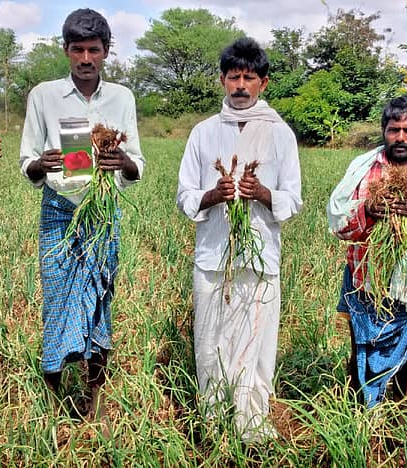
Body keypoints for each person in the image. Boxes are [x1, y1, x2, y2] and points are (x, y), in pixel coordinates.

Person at [18, 8, 144, 419]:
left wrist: (121, 161)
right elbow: (27, 163)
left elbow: (136, 165)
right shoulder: (43, 96)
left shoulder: (121, 98)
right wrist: (44, 164)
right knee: (57, 300)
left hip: (103, 212)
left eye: (93, 49)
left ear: (106, 52)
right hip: (59, 210)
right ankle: (53, 402)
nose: (85, 58)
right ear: (66, 51)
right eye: (77, 50)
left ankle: (95, 403)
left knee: (99, 301)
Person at [176, 37, 302, 443]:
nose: (241, 86)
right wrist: (213, 195)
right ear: (222, 81)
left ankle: (252, 426)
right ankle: (213, 423)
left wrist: (263, 194)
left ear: (264, 82)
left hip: (261, 257)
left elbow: (294, 199)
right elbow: (184, 196)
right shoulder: (203, 133)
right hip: (213, 257)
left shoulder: (280, 134)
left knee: (258, 344)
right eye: (234, 77)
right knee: (210, 340)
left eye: (250, 78)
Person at [327, 92, 407, 407]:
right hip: (364, 276)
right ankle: (360, 414)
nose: (400, 137)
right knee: (361, 346)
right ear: (384, 131)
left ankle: (398, 417)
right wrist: (368, 210)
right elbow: (341, 227)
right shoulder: (363, 171)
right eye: (393, 130)